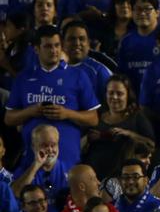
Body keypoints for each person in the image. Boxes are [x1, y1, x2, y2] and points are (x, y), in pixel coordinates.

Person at [6, 25, 100, 169]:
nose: (54, 51)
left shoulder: (78, 76)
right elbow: (9, 118)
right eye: (48, 46)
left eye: (57, 45)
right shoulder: (24, 77)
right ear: (36, 49)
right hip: (32, 160)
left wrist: (67, 113)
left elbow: (93, 119)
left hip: (68, 158)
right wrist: (30, 112)